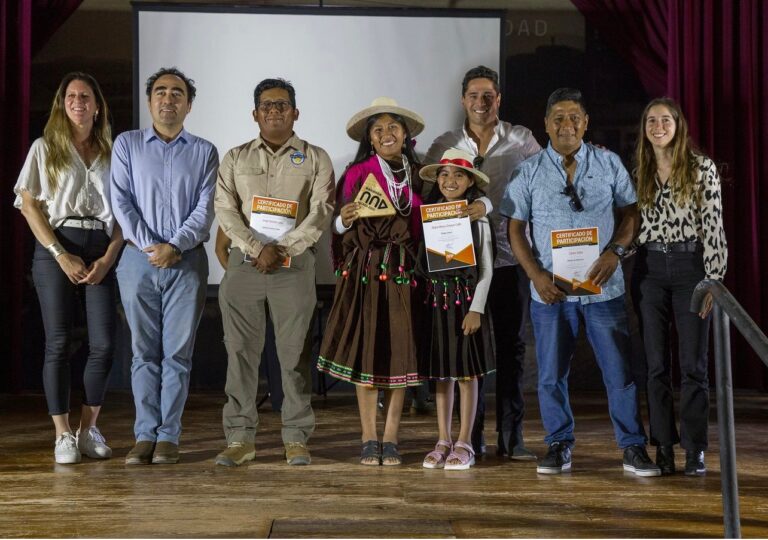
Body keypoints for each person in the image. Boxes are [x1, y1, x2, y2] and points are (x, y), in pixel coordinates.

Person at [501, 87, 661, 477]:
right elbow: (515, 229)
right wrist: (535, 275)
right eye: (558, 117)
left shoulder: (608, 164)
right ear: (545, 124)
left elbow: (630, 214)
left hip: (603, 290)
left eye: (574, 117)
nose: (566, 125)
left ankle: (633, 447)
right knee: (551, 375)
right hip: (551, 293)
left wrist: (615, 252)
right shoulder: (528, 170)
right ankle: (558, 444)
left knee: (619, 374)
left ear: (586, 123)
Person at [213, 78, 334, 467]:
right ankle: (239, 439)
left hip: (293, 266)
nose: (274, 111)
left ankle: (296, 436)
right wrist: (256, 248)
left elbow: (320, 212)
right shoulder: (234, 157)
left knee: (294, 355)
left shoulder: (316, 157)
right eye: (267, 105)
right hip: (245, 266)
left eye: (282, 105)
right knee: (240, 354)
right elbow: (225, 210)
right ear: (255, 114)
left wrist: (282, 249)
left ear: (295, 113)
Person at [426, 65, 541, 459]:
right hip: (458, 268)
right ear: (463, 100)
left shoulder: (522, 140)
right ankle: (467, 441)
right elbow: (432, 201)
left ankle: (512, 439)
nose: (481, 102)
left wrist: (492, 205)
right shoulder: (443, 143)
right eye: (473, 95)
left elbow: (540, 190)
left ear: (498, 99)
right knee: (464, 354)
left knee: (511, 349)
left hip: (508, 261)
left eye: (488, 95)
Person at [111, 67, 219, 465]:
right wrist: (150, 245)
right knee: (143, 353)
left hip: (187, 262)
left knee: (177, 354)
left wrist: (174, 246)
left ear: (189, 104)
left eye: (177, 93)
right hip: (138, 261)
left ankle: (169, 436)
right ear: (149, 100)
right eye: (160, 92)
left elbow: (205, 209)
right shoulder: (127, 144)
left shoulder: (205, 150)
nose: (168, 99)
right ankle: (144, 436)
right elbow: (121, 201)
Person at [14, 72, 122, 464]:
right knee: (58, 342)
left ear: (97, 105)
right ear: (62, 104)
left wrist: (108, 257)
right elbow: (28, 205)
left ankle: (88, 429)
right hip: (57, 246)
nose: (78, 101)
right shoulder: (45, 148)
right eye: (71, 96)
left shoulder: (114, 151)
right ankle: (62, 435)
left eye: (86, 96)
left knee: (105, 344)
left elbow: (125, 212)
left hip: (102, 247)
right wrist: (61, 253)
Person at [318, 97, 425, 466]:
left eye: (393, 126)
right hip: (366, 272)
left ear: (406, 133)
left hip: (406, 275)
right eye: (378, 129)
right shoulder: (357, 173)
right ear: (371, 139)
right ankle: (368, 437)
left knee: (399, 356)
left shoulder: (422, 174)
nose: (386, 134)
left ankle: (391, 438)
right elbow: (337, 230)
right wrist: (343, 220)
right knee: (367, 356)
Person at [631, 97, 727, 476]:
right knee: (655, 366)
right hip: (650, 268)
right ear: (644, 127)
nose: (658, 126)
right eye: (651, 119)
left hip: (691, 266)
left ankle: (695, 449)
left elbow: (715, 227)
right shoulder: (638, 168)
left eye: (665, 119)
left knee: (694, 366)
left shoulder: (701, 167)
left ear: (678, 124)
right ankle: (665, 447)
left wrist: (713, 280)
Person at [418, 149, 494, 470]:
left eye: (458, 175)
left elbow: (487, 268)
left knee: (466, 372)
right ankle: (442, 438)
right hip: (438, 303)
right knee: (442, 373)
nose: (450, 181)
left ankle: (465, 441)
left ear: (470, 182)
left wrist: (476, 308)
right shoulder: (429, 214)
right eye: (445, 175)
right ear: (437, 179)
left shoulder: (478, 217)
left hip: (465, 303)